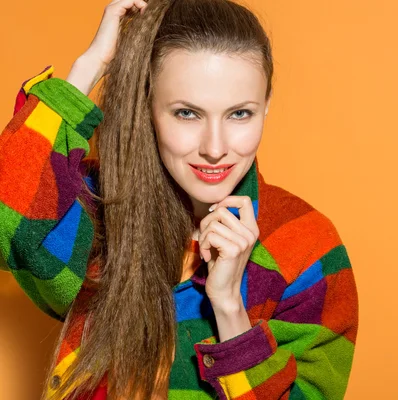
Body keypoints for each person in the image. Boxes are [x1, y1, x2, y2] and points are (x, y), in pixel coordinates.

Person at [0, 0, 359, 398]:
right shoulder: (96, 204)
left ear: (267, 104)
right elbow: (8, 224)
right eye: (187, 113)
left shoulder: (303, 244)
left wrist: (228, 308)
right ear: (149, 106)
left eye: (239, 114)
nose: (215, 148)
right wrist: (88, 68)